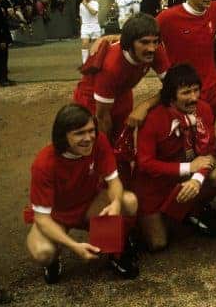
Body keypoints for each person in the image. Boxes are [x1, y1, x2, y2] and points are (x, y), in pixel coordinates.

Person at [25, 104, 139, 284]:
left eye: (91, 130)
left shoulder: (99, 141)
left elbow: (114, 181)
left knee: (128, 201)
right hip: (57, 216)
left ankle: (114, 251)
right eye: (79, 133)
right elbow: (42, 218)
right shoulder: (44, 164)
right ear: (63, 136)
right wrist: (74, 246)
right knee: (43, 253)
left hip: (89, 204)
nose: (88, 138)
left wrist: (116, 202)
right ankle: (53, 261)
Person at [134, 63, 216, 250]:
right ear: (171, 96)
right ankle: (144, 221)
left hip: (185, 177)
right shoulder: (153, 119)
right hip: (155, 185)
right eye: (186, 93)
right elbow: (144, 164)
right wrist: (187, 169)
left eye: (196, 90)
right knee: (157, 244)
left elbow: (209, 152)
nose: (193, 98)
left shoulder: (204, 109)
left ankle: (190, 209)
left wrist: (197, 180)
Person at [73, 13, 169, 143]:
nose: (152, 48)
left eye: (155, 41)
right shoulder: (112, 66)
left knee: (125, 142)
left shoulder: (155, 49)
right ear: (129, 43)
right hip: (92, 98)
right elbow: (102, 116)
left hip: (122, 92)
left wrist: (145, 106)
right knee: (97, 145)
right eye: (145, 42)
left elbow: (173, 86)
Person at [79, 0, 101, 64]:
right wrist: (81, 27)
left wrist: (86, 5)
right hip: (85, 26)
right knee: (85, 44)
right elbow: (81, 17)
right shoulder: (81, 5)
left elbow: (94, 13)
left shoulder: (95, 3)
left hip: (95, 25)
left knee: (95, 45)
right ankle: (85, 63)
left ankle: (94, 61)